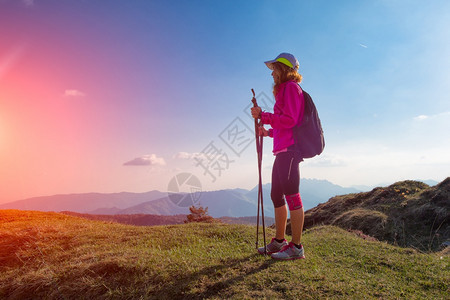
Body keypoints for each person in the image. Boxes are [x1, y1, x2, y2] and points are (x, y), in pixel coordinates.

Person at [251, 52, 305, 260]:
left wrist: (264, 116)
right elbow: (285, 125)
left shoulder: (291, 88)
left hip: (290, 152)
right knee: (276, 195)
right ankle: (280, 241)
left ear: (283, 69)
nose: (272, 73)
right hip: (283, 151)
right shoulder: (284, 90)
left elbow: (291, 120)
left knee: (292, 196)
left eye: (274, 69)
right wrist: (267, 131)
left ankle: (297, 247)